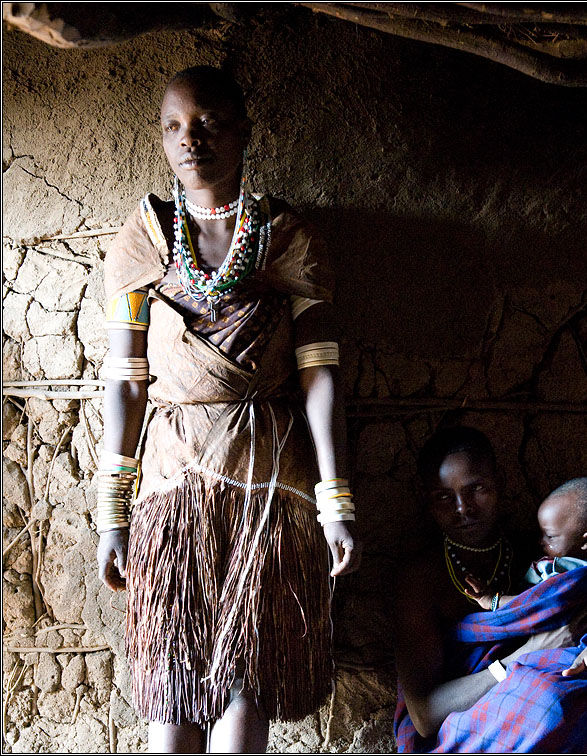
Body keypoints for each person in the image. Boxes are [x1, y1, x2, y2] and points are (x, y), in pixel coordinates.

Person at [97, 65, 361, 754]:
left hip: (268, 483)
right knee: (173, 693)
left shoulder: (283, 238)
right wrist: (113, 515)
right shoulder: (146, 239)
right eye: (175, 127)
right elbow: (127, 382)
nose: (192, 140)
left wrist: (334, 500)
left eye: (209, 123)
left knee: (250, 689)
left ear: (243, 131)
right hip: (173, 485)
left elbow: (320, 376)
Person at [394, 426, 587, 753]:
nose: (464, 508)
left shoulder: (540, 553)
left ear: (499, 483)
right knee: (547, 704)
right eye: (444, 498)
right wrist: (526, 654)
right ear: (428, 502)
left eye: (477, 488)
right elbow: (425, 715)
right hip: (468, 721)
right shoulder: (421, 580)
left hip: (545, 692)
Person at [466, 477, 587, 611]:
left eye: (550, 536)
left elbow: (535, 603)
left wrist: (492, 600)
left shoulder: (561, 573)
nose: (540, 541)